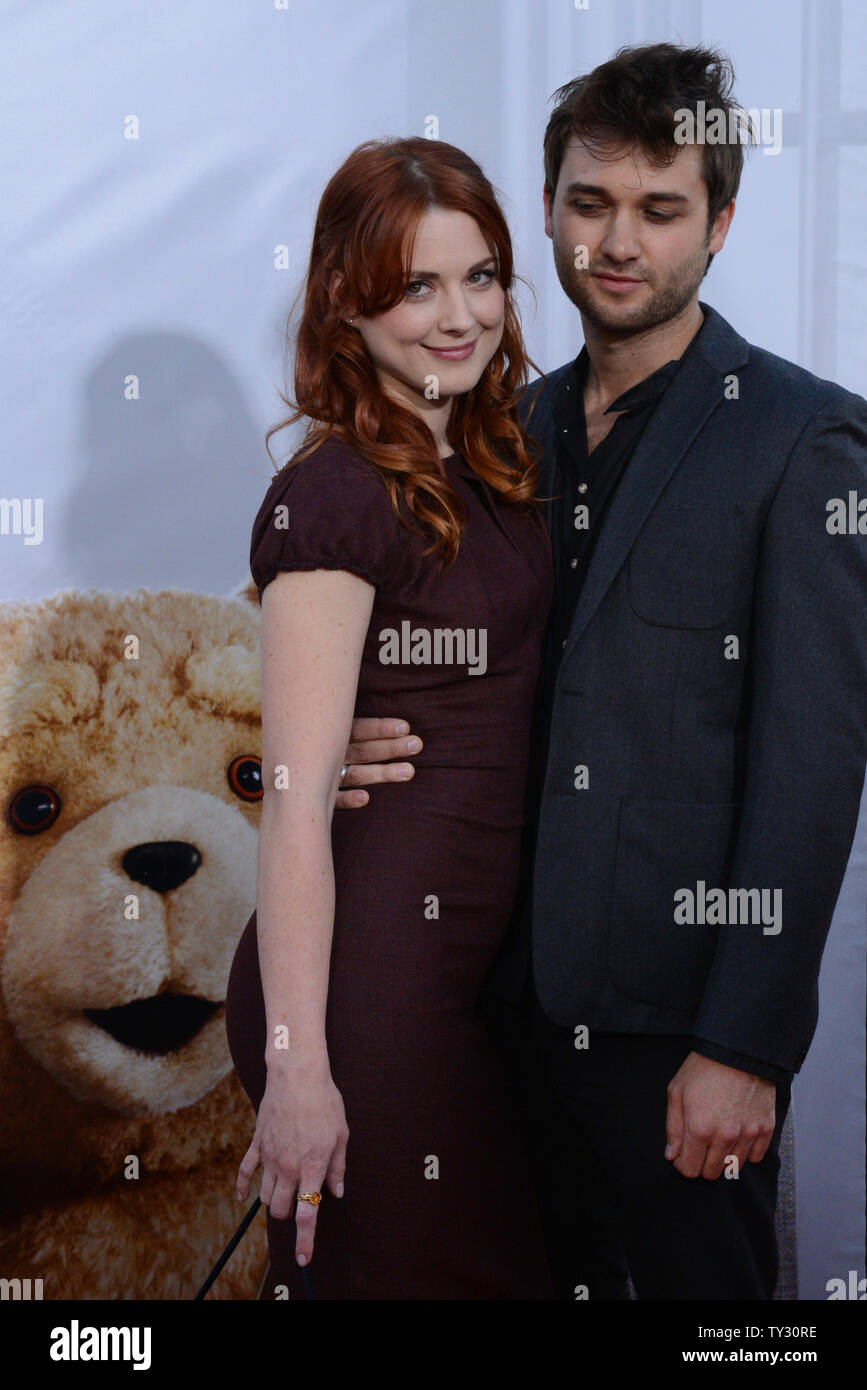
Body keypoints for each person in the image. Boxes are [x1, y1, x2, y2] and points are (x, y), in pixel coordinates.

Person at [338, 43, 867, 1299]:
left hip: (673, 1023)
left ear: (721, 223)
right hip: (485, 1002)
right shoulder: (493, 429)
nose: (618, 239)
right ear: (551, 211)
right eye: (590, 203)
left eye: (660, 207)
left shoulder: (807, 439)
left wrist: (745, 1042)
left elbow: (812, 766)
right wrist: (353, 730)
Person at [224, 136, 555, 1299]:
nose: (459, 315)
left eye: (481, 275)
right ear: (343, 300)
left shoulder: (488, 456)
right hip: (364, 992)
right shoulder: (334, 493)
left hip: (456, 975)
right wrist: (299, 1070)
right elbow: (298, 802)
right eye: (416, 285)